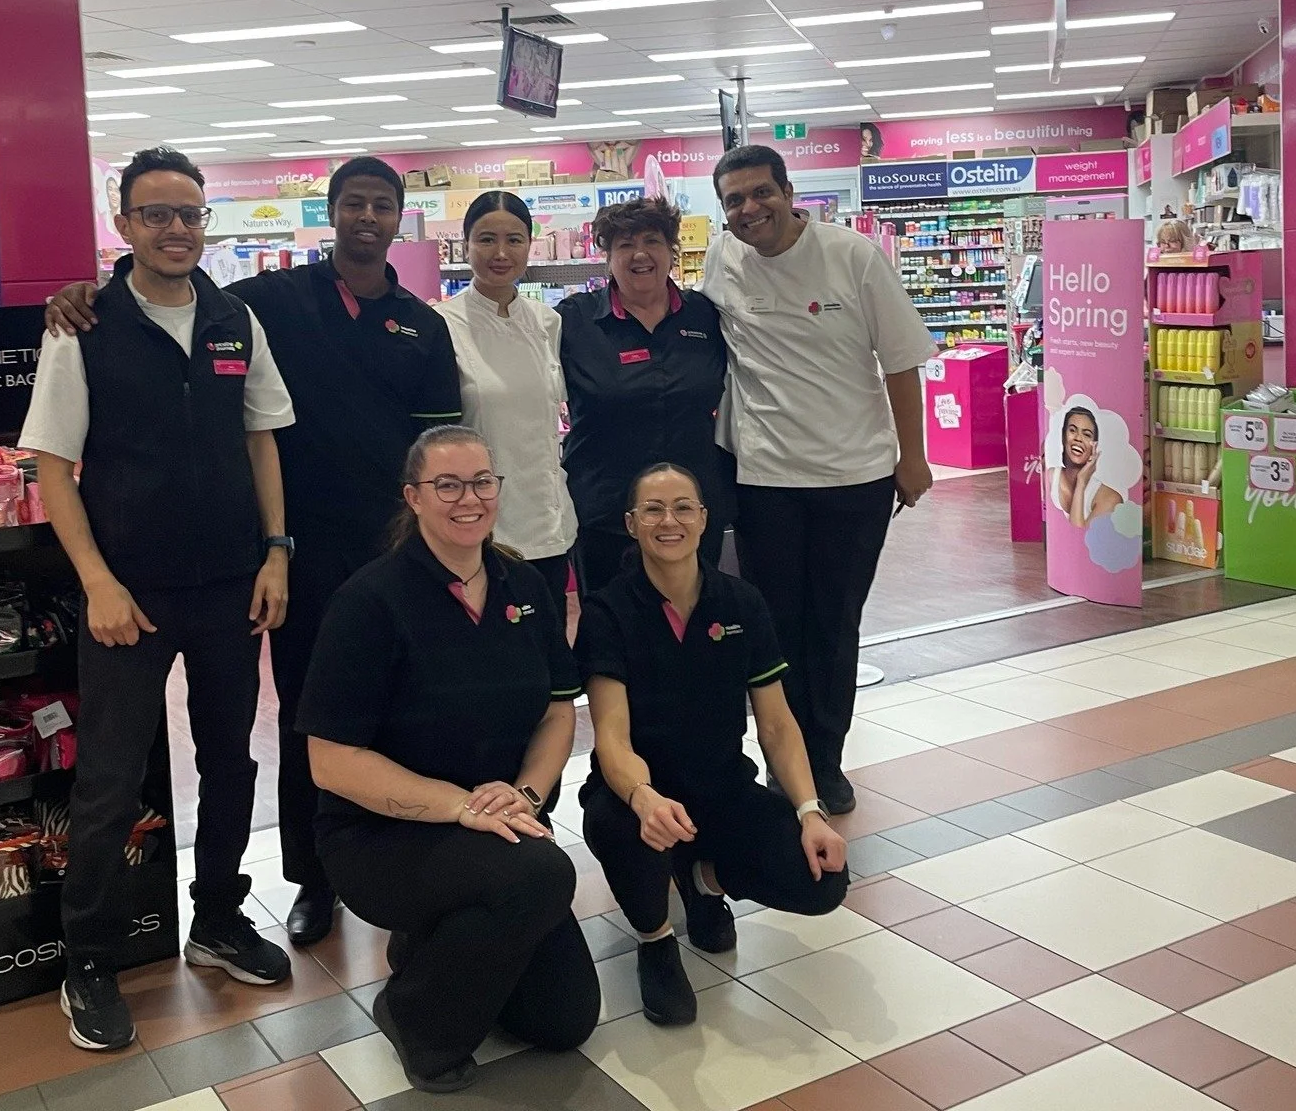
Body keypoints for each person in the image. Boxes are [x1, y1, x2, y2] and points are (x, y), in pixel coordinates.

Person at [45, 155, 462, 946]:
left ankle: (378, 870)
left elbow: (423, 444)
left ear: (399, 218)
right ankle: (307, 880)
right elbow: (71, 444)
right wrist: (73, 296)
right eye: (353, 204)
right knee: (291, 723)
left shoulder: (414, 324)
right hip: (250, 567)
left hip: (365, 556)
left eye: (382, 205)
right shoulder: (261, 303)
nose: (367, 217)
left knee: (381, 717)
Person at [20, 146, 295, 1052]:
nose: (176, 229)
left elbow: (262, 441)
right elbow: (53, 467)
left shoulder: (233, 318)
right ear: (125, 223)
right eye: (156, 214)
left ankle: (216, 918)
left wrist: (276, 554)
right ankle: (88, 962)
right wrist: (97, 581)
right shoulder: (84, 326)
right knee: (107, 782)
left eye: (190, 213)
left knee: (231, 763)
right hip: (127, 598)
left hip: (227, 586)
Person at [298, 427, 599, 1093]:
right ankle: (414, 1019)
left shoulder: (523, 586)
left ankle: (434, 943)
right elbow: (331, 761)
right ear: (414, 496)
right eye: (448, 485)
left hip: (497, 823)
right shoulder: (369, 603)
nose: (470, 499)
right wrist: (460, 807)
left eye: (483, 481)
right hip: (381, 837)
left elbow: (557, 710)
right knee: (541, 874)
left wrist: (523, 796)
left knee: (564, 1021)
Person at [702, 145, 935, 815]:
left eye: (759, 193)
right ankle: (785, 760)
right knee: (775, 626)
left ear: (788, 190)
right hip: (764, 478)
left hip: (854, 476)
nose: (750, 210)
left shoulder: (852, 256)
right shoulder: (724, 257)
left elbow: (900, 361)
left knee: (834, 623)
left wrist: (911, 457)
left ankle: (825, 761)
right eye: (734, 201)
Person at [578, 464, 848, 1027]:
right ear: (631, 524)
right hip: (636, 796)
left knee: (822, 879)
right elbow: (611, 735)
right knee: (625, 832)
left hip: (721, 788)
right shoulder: (608, 612)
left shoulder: (741, 603)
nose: (668, 520)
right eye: (653, 509)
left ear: (705, 520)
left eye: (683, 507)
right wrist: (644, 798)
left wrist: (809, 811)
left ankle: (700, 880)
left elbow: (776, 724)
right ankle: (655, 940)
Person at [558, 198, 733, 598]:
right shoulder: (573, 321)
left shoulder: (705, 316)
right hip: (607, 510)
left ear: (671, 250)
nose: (639, 254)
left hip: (692, 507)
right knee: (611, 627)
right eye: (624, 244)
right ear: (607, 256)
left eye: (652, 241)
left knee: (696, 620)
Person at [440, 191, 577, 614]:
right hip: (474, 525)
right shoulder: (442, 325)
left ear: (530, 244)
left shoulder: (547, 322)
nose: (501, 253)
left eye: (514, 239)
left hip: (548, 519)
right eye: (486, 239)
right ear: (465, 246)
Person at [1053, 404, 1124, 527]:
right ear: (1063, 436)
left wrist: (1081, 483)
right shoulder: (1050, 476)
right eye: (1072, 430)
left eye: (1086, 434)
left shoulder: (1110, 498)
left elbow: (1080, 538)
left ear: (1094, 446)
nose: (1078, 438)